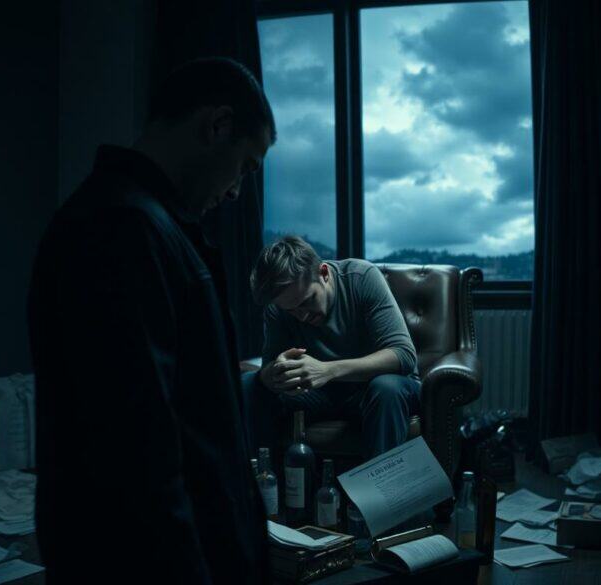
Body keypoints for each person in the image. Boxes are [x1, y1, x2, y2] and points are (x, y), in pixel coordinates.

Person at [27, 57, 274, 584]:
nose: (237, 191)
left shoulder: (150, 225)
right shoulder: (121, 229)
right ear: (218, 126)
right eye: (246, 167)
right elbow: (138, 455)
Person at [243, 235, 421, 460]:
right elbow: (267, 372)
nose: (302, 316)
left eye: (307, 301)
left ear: (324, 273)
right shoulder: (278, 308)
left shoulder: (361, 277)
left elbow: (404, 355)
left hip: (376, 389)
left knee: (386, 387)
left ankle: (382, 483)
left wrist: (328, 370)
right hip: (321, 394)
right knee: (249, 384)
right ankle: (259, 478)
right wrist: (276, 374)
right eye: (292, 310)